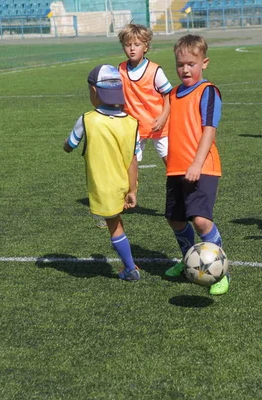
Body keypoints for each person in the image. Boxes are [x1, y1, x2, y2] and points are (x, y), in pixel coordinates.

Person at [162, 34, 229, 295]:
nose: (185, 69)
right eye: (180, 64)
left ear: (204, 63)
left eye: (191, 63)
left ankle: (220, 270)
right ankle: (188, 259)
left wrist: (197, 164)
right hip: (176, 167)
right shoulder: (174, 93)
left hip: (202, 167)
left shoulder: (207, 91)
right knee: (175, 219)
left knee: (201, 220)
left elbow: (209, 129)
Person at [63, 64, 141, 282]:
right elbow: (133, 160)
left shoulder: (87, 120)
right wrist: (132, 189)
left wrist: (66, 147)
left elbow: (70, 144)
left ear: (94, 91)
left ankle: (129, 268)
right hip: (124, 184)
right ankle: (129, 264)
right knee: (116, 221)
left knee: (113, 225)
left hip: (103, 186)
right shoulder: (131, 122)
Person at [118, 23, 173, 165]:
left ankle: (181, 186)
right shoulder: (120, 69)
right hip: (133, 126)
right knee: (130, 164)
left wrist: (163, 117)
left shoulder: (154, 71)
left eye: (136, 44)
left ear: (146, 47)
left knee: (171, 162)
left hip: (158, 124)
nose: (131, 48)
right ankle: (132, 188)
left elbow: (169, 94)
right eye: (127, 44)